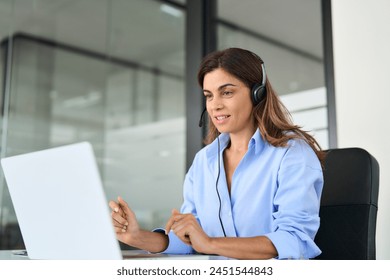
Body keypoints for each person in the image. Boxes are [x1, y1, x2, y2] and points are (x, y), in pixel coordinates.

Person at [109, 47, 325, 260]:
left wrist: (210, 243)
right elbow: (190, 238)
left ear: (257, 94)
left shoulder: (291, 154)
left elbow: (295, 240)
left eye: (227, 92)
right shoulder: (204, 161)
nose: (215, 106)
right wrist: (138, 237)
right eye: (209, 96)